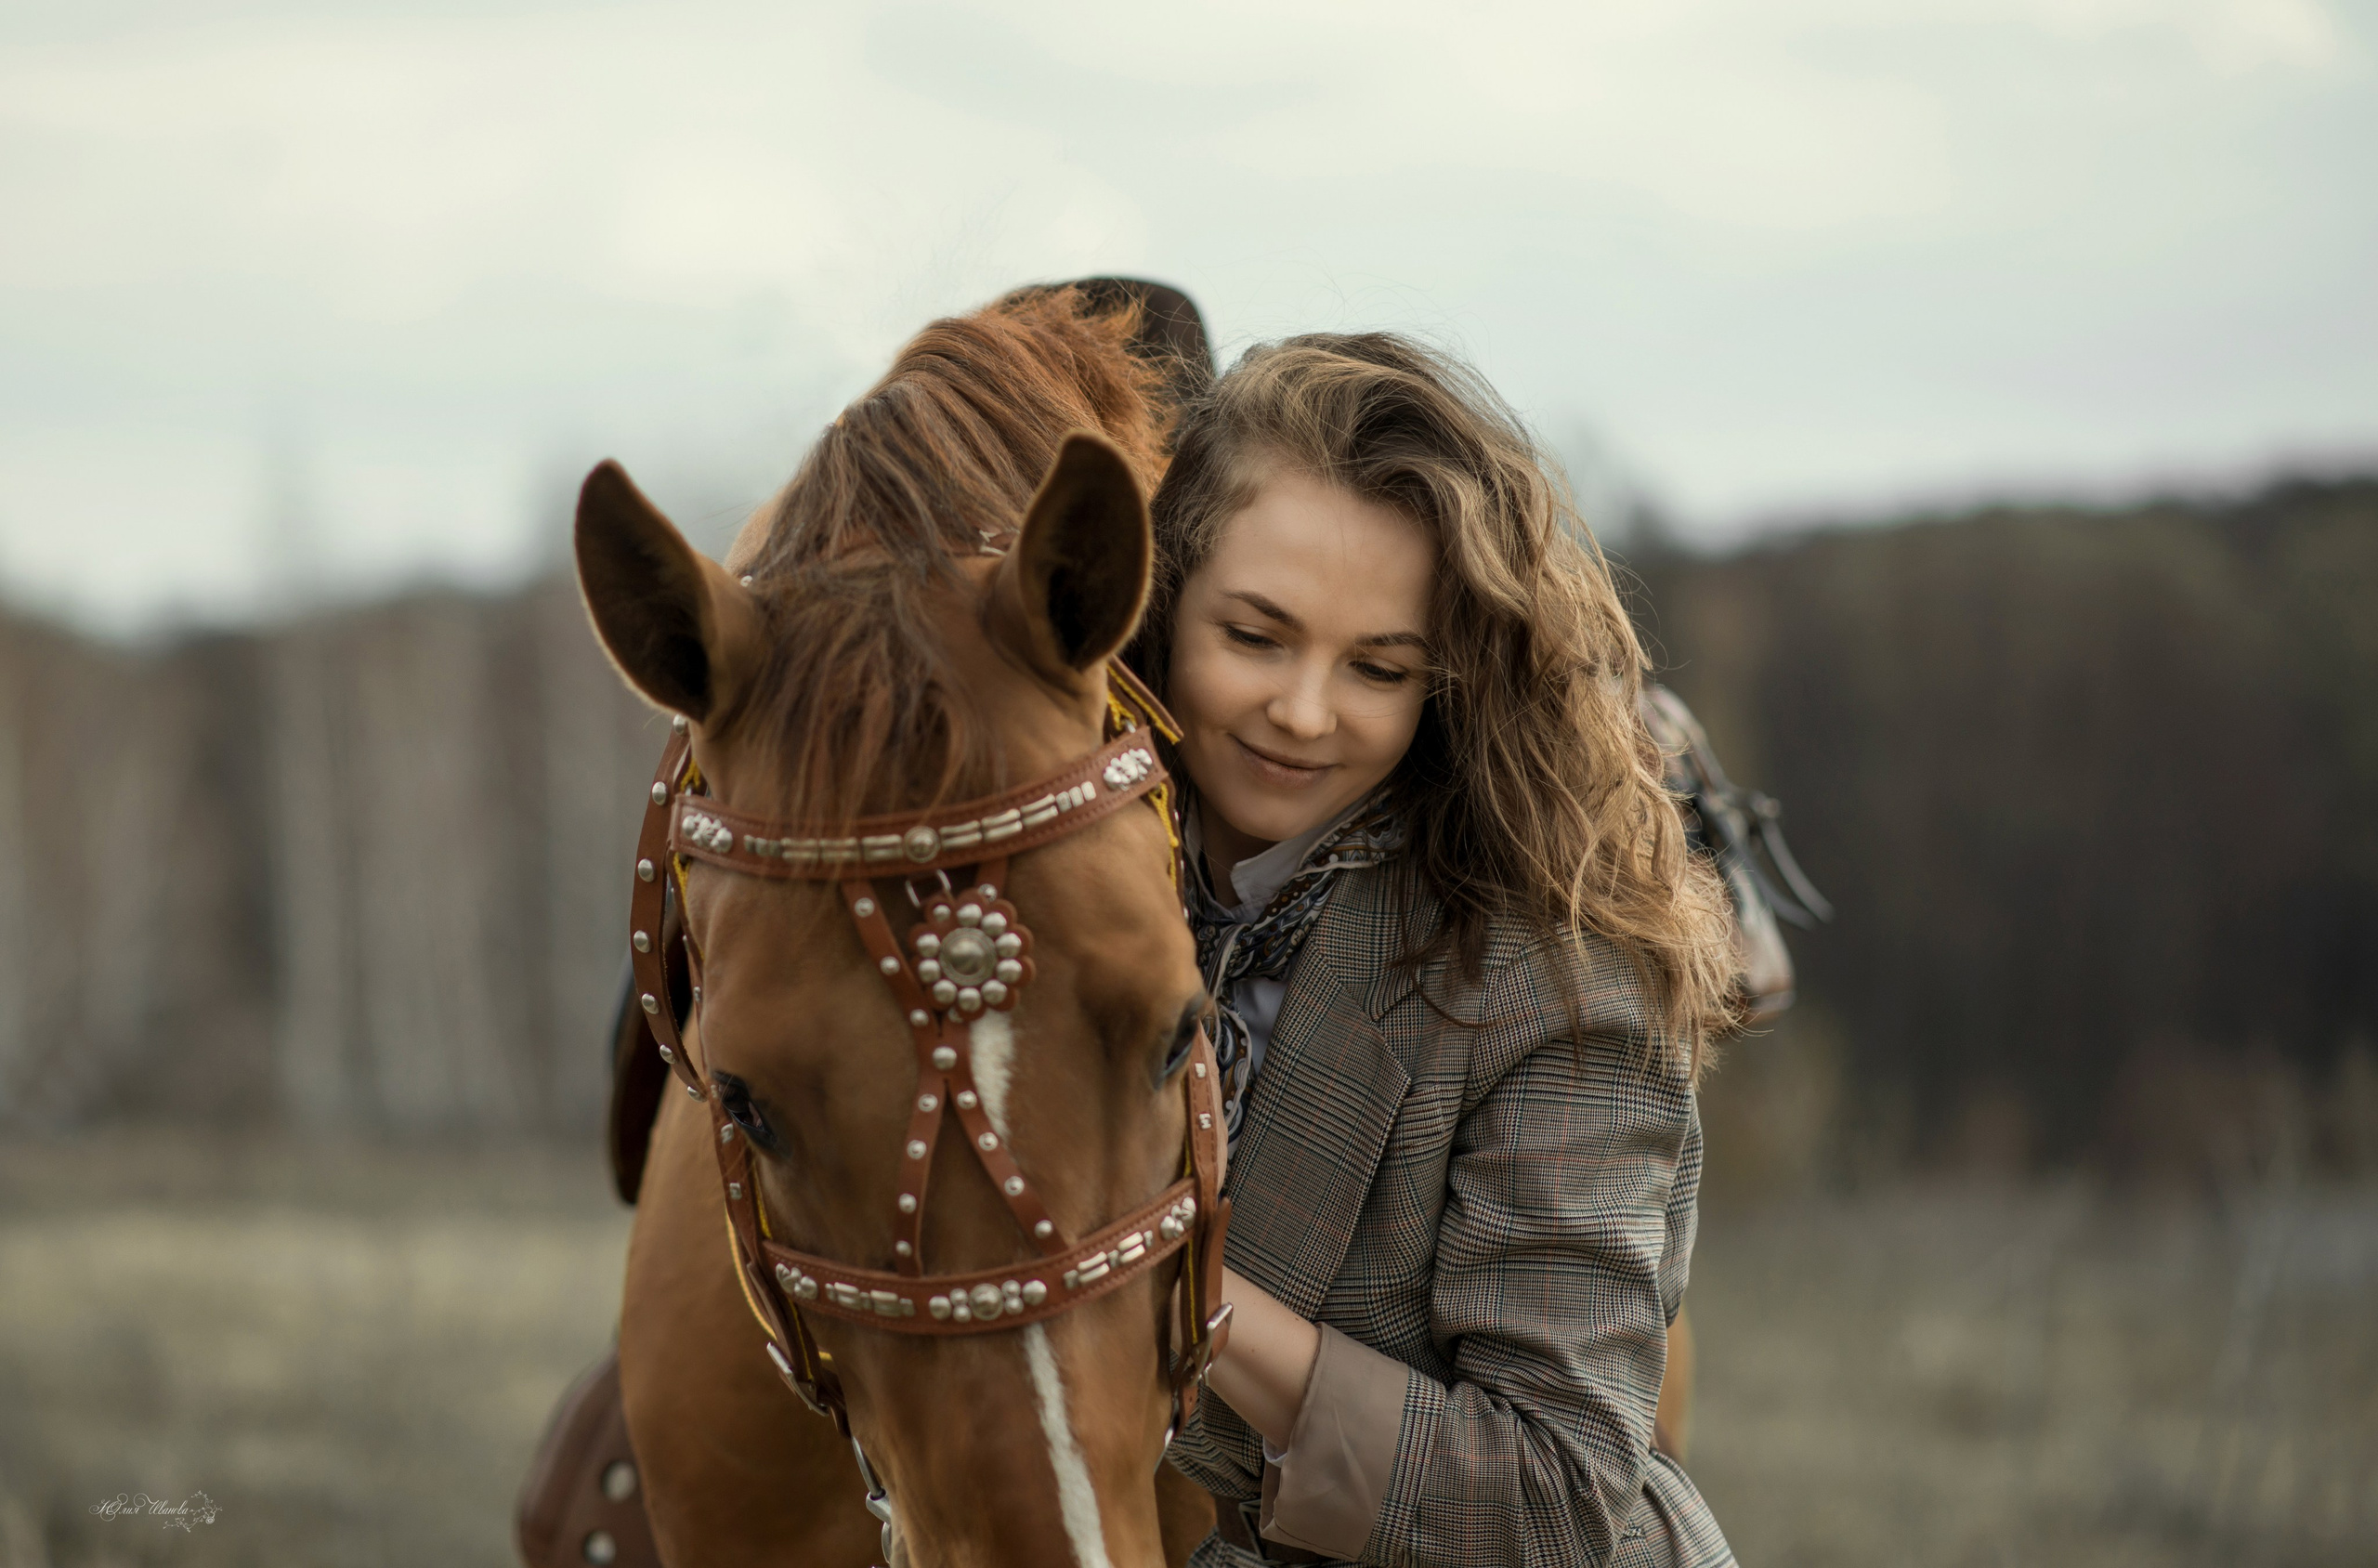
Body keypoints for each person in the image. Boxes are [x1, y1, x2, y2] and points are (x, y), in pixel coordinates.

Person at [1132, 332, 1741, 1567]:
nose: (1305, 712)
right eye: (1254, 637)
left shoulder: (1555, 972)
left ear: (1445, 683)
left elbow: (1552, 1494)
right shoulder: (1108, 873)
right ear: (1162, 609)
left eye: (1377, 667)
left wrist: (1176, 1284)